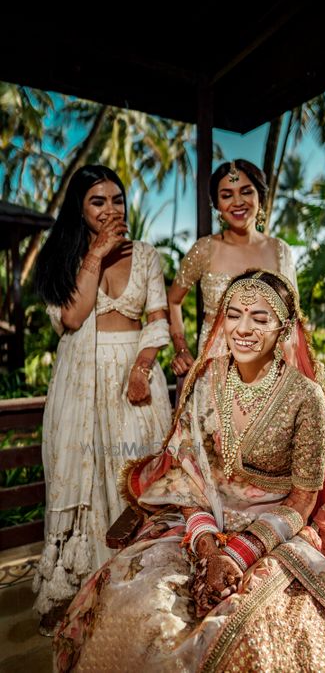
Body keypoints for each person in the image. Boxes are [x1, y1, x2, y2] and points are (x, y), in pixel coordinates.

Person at [54, 270, 325, 672]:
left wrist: (238, 554)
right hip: (199, 528)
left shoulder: (308, 399)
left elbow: (303, 500)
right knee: (137, 606)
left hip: (273, 535)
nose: (243, 329)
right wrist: (206, 546)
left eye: (260, 318)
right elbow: (187, 478)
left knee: (263, 636)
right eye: (233, 315)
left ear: (284, 328)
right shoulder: (204, 381)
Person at [32, 165, 172, 628]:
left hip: (135, 375)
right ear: (80, 208)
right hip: (81, 380)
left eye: (117, 199)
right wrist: (95, 254)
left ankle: (133, 591)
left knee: (132, 474)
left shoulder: (147, 254)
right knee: (86, 480)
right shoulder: (65, 256)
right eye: (98, 201)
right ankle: (82, 592)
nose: (111, 209)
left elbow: (157, 320)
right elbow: (72, 318)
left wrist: (141, 370)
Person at [169, 159, 297, 376]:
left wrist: (292, 367)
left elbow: (294, 318)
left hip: (269, 365)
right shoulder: (204, 249)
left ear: (260, 197)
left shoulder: (280, 250)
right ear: (217, 205)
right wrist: (181, 348)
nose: (238, 202)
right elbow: (173, 300)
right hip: (215, 364)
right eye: (227, 195)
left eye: (246, 192)